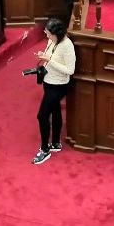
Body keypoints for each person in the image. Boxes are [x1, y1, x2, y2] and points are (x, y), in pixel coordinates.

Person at [32, 17, 76, 165]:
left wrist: (49, 59)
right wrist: (43, 57)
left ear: (57, 33)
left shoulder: (67, 46)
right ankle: (56, 143)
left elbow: (70, 70)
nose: (46, 35)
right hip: (48, 81)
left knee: (42, 115)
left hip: (59, 85)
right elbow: (49, 55)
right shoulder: (52, 40)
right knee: (55, 110)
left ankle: (44, 150)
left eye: (48, 33)